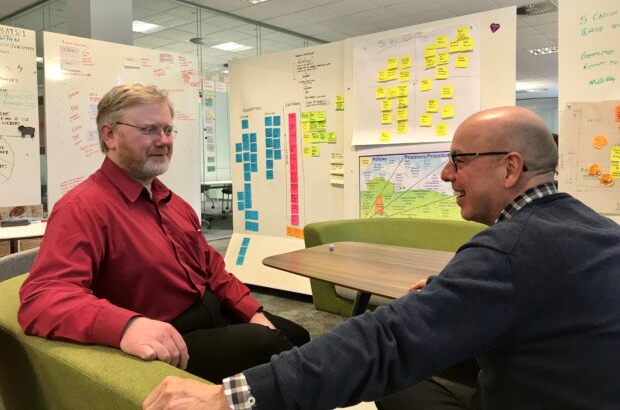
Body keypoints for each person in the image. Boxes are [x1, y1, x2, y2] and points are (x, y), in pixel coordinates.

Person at [143, 106, 620, 410]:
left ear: (511, 166)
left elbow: (386, 342)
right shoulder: (597, 231)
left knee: (387, 377)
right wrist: (450, 299)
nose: (447, 174)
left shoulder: (510, 250)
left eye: (460, 159)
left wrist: (231, 397)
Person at [18, 83, 309, 383]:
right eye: (149, 130)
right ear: (109, 135)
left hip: (210, 313)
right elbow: (42, 299)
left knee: (299, 336)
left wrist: (251, 312)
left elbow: (213, 270)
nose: (163, 141)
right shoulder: (83, 208)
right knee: (276, 351)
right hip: (171, 339)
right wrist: (127, 326)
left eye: (168, 130)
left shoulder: (172, 202)